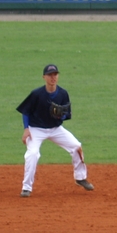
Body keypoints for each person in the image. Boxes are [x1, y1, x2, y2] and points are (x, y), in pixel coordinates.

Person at [16, 64, 94, 197]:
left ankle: (80, 178)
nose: (53, 77)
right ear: (44, 77)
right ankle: (26, 188)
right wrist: (26, 129)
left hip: (55, 129)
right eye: (50, 75)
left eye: (55, 74)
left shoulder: (63, 93)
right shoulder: (36, 94)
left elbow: (66, 114)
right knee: (32, 154)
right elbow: (26, 111)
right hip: (36, 129)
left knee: (76, 146)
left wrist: (60, 116)